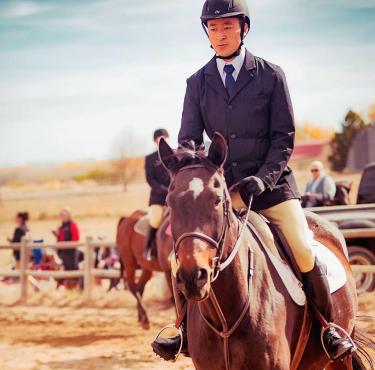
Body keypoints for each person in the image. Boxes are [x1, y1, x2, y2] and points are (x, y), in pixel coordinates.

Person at [152, 0, 354, 361]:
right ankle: (182, 328)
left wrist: (262, 179)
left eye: (227, 27)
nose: (220, 34)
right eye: (213, 28)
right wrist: (193, 170)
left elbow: (283, 138)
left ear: (244, 28)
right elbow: (189, 140)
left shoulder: (271, 75)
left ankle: (328, 328)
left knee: (303, 247)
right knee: (182, 258)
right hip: (219, 193)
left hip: (270, 188)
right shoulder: (196, 83)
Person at [143, 129, 171, 260]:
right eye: (159, 138)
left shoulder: (175, 155)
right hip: (158, 197)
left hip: (173, 196)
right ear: (155, 141)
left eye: (164, 137)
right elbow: (150, 179)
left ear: (168, 138)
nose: (162, 139)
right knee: (155, 220)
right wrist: (163, 189)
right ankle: (148, 249)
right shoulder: (150, 158)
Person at [53, 207, 80, 287]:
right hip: (63, 252)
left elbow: (76, 238)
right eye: (60, 214)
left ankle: (74, 288)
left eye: (63, 214)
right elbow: (60, 239)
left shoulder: (72, 225)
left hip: (71, 252)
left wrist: (70, 245)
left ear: (68, 215)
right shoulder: (62, 227)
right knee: (65, 270)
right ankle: (67, 287)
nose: (61, 216)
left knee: (72, 270)